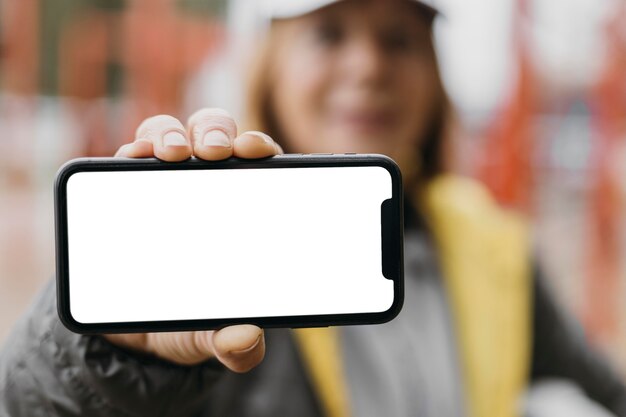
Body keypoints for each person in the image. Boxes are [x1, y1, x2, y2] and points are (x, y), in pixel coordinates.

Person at [1, 0, 626, 416]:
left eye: (399, 39)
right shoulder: (220, 249)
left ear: (435, 76)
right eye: (329, 33)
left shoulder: (492, 245)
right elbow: (28, 402)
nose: (368, 66)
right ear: (269, 68)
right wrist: (104, 358)